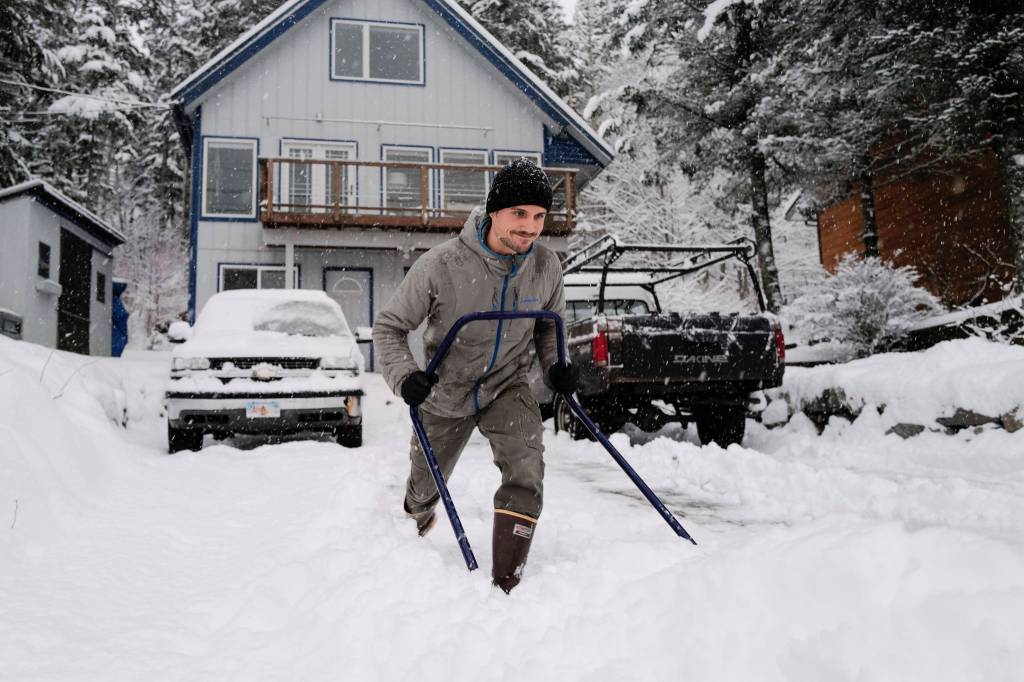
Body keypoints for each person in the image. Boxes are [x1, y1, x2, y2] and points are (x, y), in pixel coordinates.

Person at [373, 159, 579, 593]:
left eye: (539, 216)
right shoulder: (441, 265)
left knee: (526, 460)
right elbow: (389, 327)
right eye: (519, 214)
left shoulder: (545, 268)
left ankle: (507, 580)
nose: (530, 228)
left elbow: (549, 326)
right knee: (424, 487)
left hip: (507, 384)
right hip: (445, 391)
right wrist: (405, 376)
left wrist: (555, 365)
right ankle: (416, 515)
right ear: (494, 212)